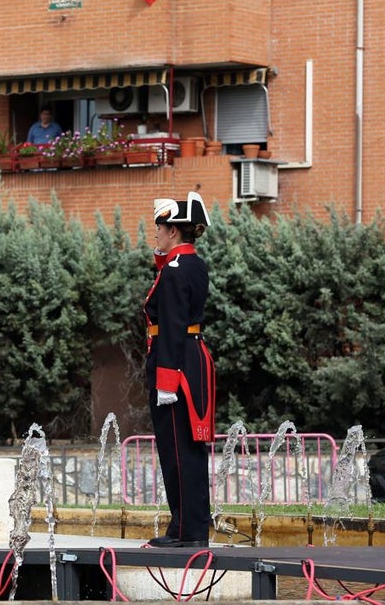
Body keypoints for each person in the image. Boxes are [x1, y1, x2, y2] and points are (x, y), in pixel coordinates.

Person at [144, 191, 215, 548]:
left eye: (160, 226)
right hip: (191, 357)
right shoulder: (191, 264)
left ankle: (187, 531)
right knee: (186, 447)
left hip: (175, 362)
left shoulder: (175, 271)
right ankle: (188, 526)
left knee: (177, 449)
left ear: (173, 230)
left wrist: (165, 380)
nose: (155, 232)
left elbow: (170, 324)